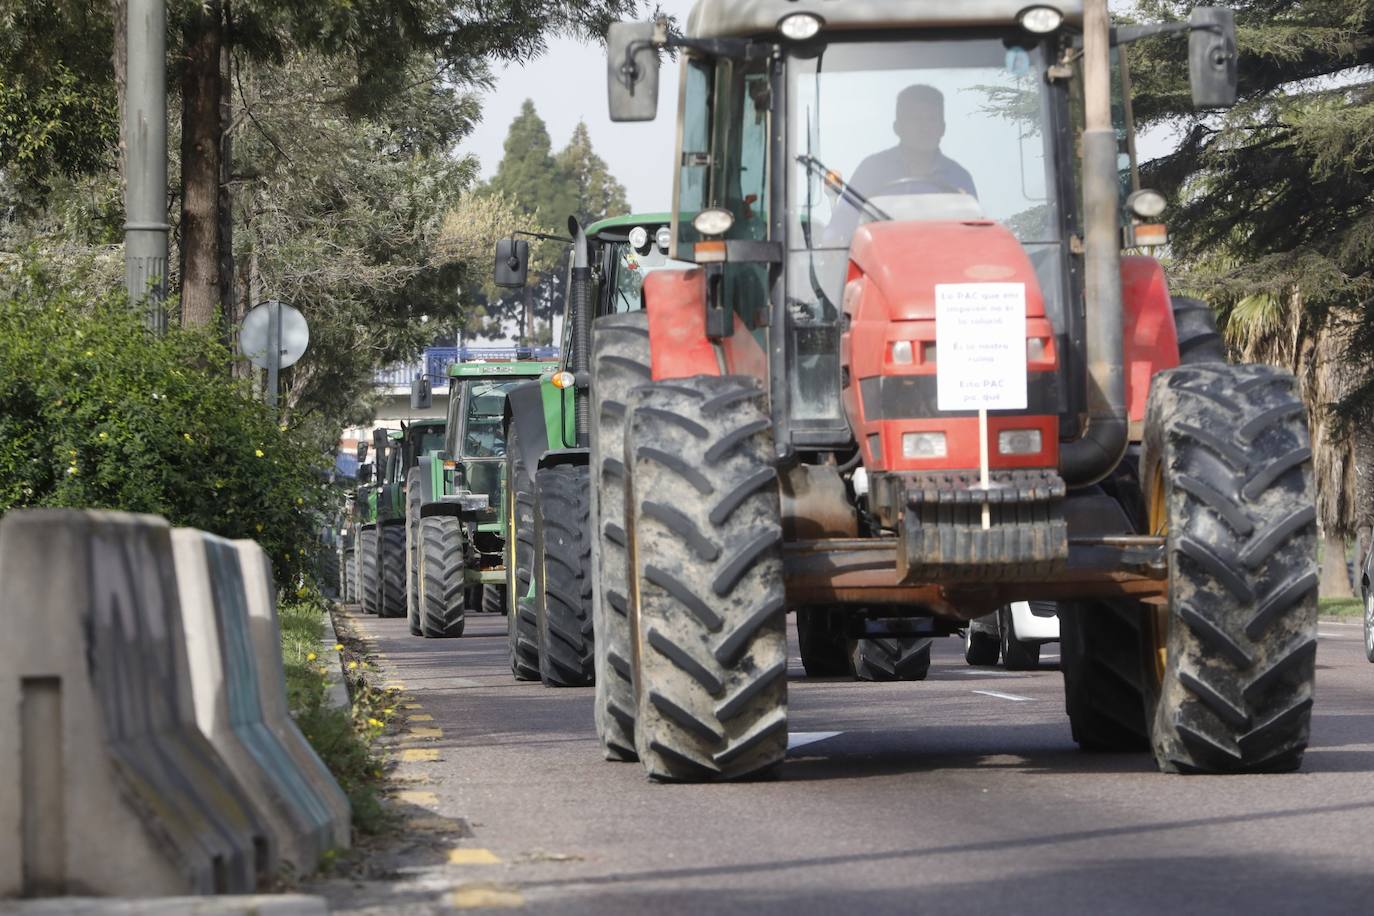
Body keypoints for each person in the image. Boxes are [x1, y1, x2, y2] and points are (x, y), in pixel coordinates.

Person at [826, 84, 978, 243]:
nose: (924, 127)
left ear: (943, 128)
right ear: (897, 127)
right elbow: (839, 229)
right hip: (877, 265)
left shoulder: (960, 178)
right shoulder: (871, 171)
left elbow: (976, 238)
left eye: (931, 119)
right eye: (915, 119)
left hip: (944, 265)